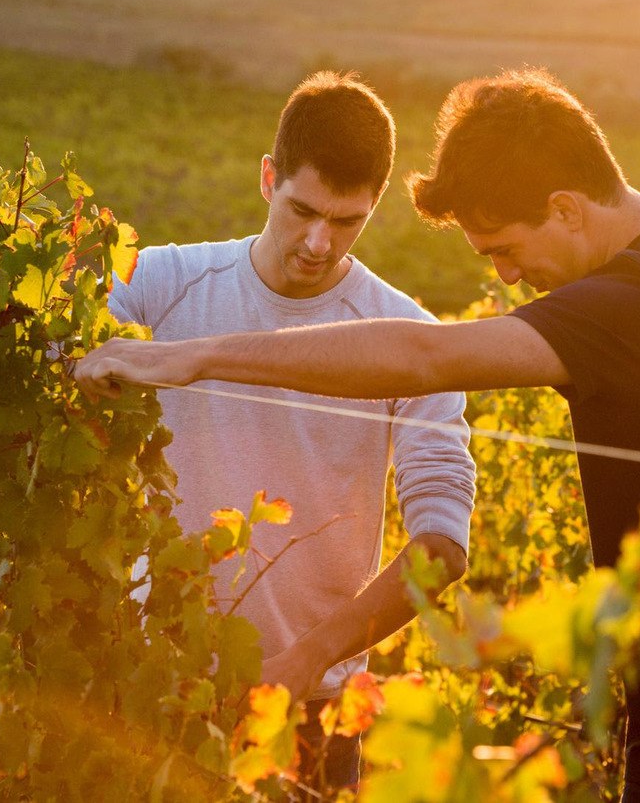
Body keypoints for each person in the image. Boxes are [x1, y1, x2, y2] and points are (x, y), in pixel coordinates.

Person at [77, 68, 640, 802]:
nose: (504, 277)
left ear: (566, 209)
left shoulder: (638, 301)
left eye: (504, 249)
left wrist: (201, 357)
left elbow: (428, 353)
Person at [102, 71, 476, 791]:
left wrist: (304, 664)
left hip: (313, 714)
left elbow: (442, 547)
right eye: (302, 210)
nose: (316, 243)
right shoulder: (155, 283)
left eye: (346, 222)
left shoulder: (410, 341)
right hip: (146, 689)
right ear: (268, 177)